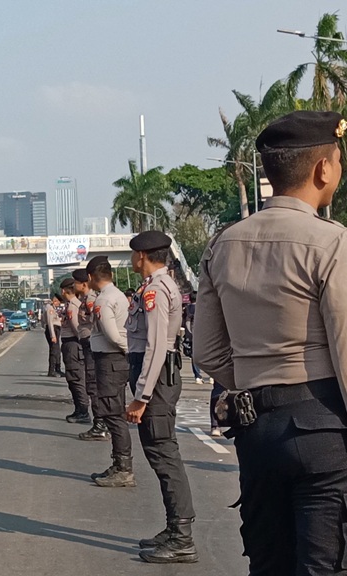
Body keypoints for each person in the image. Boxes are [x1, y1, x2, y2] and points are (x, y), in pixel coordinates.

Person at [195, 110, 347, 574]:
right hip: (323, 430)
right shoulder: (331, 242)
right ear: (323, 169)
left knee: (269, 564)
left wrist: (261, 382)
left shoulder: (222, 245)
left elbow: (207, 352)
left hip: (256, 429)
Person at [124, 231, 197, 564]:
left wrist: (142, 396)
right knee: (160, 455)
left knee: (164, 456)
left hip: (156, 377)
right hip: (157, 374)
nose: (131, 261)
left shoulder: (155, 290)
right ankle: (174, 528)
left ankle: (182, 537)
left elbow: (155, 349)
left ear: (142, 255)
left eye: (133, 255)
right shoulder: (160, 286)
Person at [83, 256, 133, 487]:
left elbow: (113, 336)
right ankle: (119, 464)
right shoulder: (117, 295)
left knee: (113, 413)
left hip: (111, 360)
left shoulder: (104, 300)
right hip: (115, 360)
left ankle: (123, 468)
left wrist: (126, 349)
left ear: (92, 277)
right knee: (113, 411)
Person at [59, 279, 90, 423]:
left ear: (64, 291)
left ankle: (83, 411)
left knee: (77, 379)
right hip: (70, 344)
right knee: (72, 379)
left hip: (73, 345)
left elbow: (77, 329)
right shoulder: (71, 305)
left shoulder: (73, 306)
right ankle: (79, 409)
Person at [72, 269, 99, 430]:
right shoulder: (83, 299)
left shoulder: (90, 300)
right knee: (90, 383)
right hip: (87, 342)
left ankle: (100, 424)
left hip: (91, 342)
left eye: (76, 282)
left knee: (93, 383)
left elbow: (96, 322)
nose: (74, 285)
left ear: (83, 284)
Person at [43, 297, 64, 377]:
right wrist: (53, 335)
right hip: (53, 330)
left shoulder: (52, 308)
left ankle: (58, 369)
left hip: (56, 329)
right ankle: (51, 370)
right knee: (54, 350)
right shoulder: (49, 308)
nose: (59, 304)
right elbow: (50, 322)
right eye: (58, 302)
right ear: (55, 301)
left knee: (57, 350)